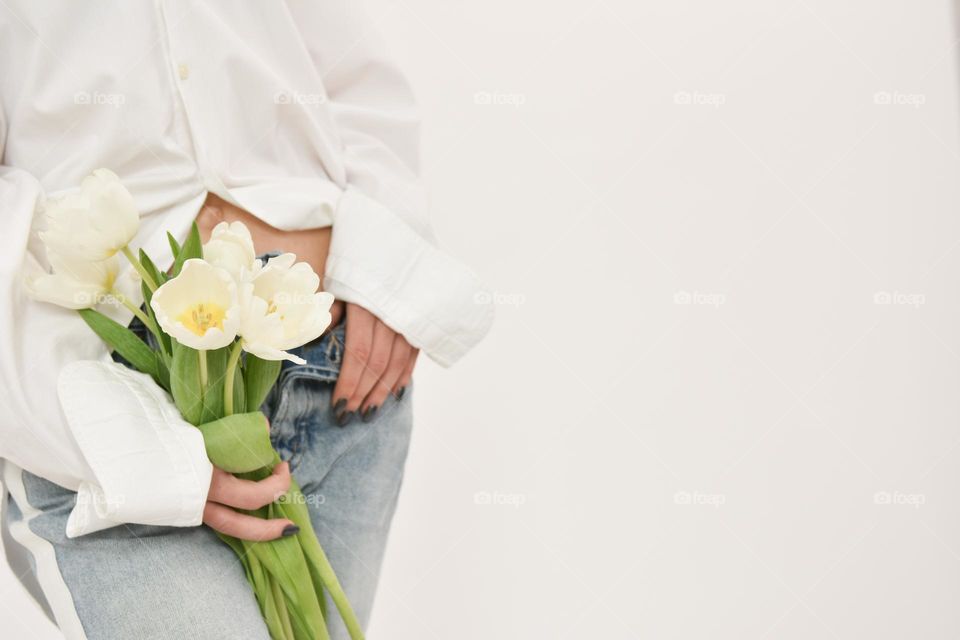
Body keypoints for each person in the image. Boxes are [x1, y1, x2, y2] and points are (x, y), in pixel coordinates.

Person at [0, 2, 492, 638]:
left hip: (336, 381)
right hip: (119, 415)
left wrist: (386, 270)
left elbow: (355, 82)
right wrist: (128, 454)